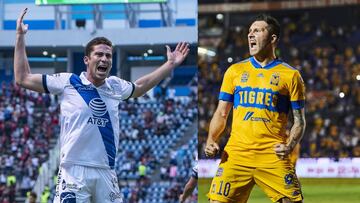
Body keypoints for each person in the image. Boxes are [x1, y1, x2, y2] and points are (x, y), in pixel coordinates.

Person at [14, 8, 189, 203]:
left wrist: (170, 64)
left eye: (108, 56)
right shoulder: (67, 82)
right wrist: (20, 37)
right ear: (87, 60)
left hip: (106, 172)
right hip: (74, 171)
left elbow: (140, 87)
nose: (105, 59)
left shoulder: (115, 85)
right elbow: (23, 78)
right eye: (99, 55)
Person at [205, 14, 306, 203]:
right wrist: (211, 139)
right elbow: (221, 112)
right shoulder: (234, 71)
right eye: (250, 31)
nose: (251, 35)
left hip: (272, 154)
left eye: (258, 31)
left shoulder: (291, 76)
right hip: (236, 154)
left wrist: (289, 146)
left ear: (273, 38)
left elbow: (299, 121)